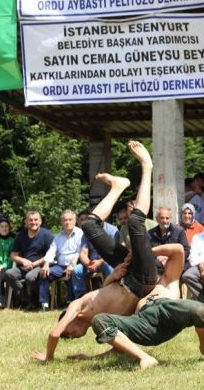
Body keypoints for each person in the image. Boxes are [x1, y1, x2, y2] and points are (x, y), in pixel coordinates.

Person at [31, 141, 185, 363]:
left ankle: (134, 175)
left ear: (68, 318)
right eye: (70, 337)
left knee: (91, 225)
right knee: (133, 223)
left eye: (68, 332)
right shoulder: (99, 323)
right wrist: (89, 358)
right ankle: (125, 183)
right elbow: (120, 346)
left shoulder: (77, 306)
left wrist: (49, 356)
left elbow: (54, 332)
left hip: (131, 273)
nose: (70, 336)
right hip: (141, 278)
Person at [75, 297, 204, 370]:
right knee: (100, 320)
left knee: (200, 311)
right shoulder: (125, 285)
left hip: (168, 309)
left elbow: (178, 250)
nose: (69, 334)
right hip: (143, 321)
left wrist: (154, 252)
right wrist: (91, 358)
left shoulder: (165, 274)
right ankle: (146, 358)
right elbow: (118, 342)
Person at [5, 210, 54, 310]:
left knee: (30, 277)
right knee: (9, 273)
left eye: (36, 220)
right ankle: (28, 302)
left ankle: (44, 299)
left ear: (40, 221)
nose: (33, 222)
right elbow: (13, 255)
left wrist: (35, 263)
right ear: (26, 222)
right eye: (30, 220)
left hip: (40, 266)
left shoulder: (47, 235)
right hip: (24, 266)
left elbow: (52, 254)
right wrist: (23, 261)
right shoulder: (20, 235)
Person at [38, 210, 84, 311]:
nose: (67, 222)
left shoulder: (80, 234)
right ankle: (44, 304)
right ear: (61, 222)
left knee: (73, 272)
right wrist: (46, 264)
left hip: (75, 264)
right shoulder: (58, 237)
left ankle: (70, 303)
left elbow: (79, 252)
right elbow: (51, 251)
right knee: (44, 272)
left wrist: (72, 265)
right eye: (65, 220)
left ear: (75, 220)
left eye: (70, 219)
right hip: (60, 266)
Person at [71, 211, 115, 299]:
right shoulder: (87, 233)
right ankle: (80, 298)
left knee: (110, 268)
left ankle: (113, 295)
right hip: (92, 262)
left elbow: (113, 251)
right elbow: (83, 253)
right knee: (76, 270)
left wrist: (99, 262)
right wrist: (88, 263)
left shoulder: (112, 230)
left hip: (106, 260)